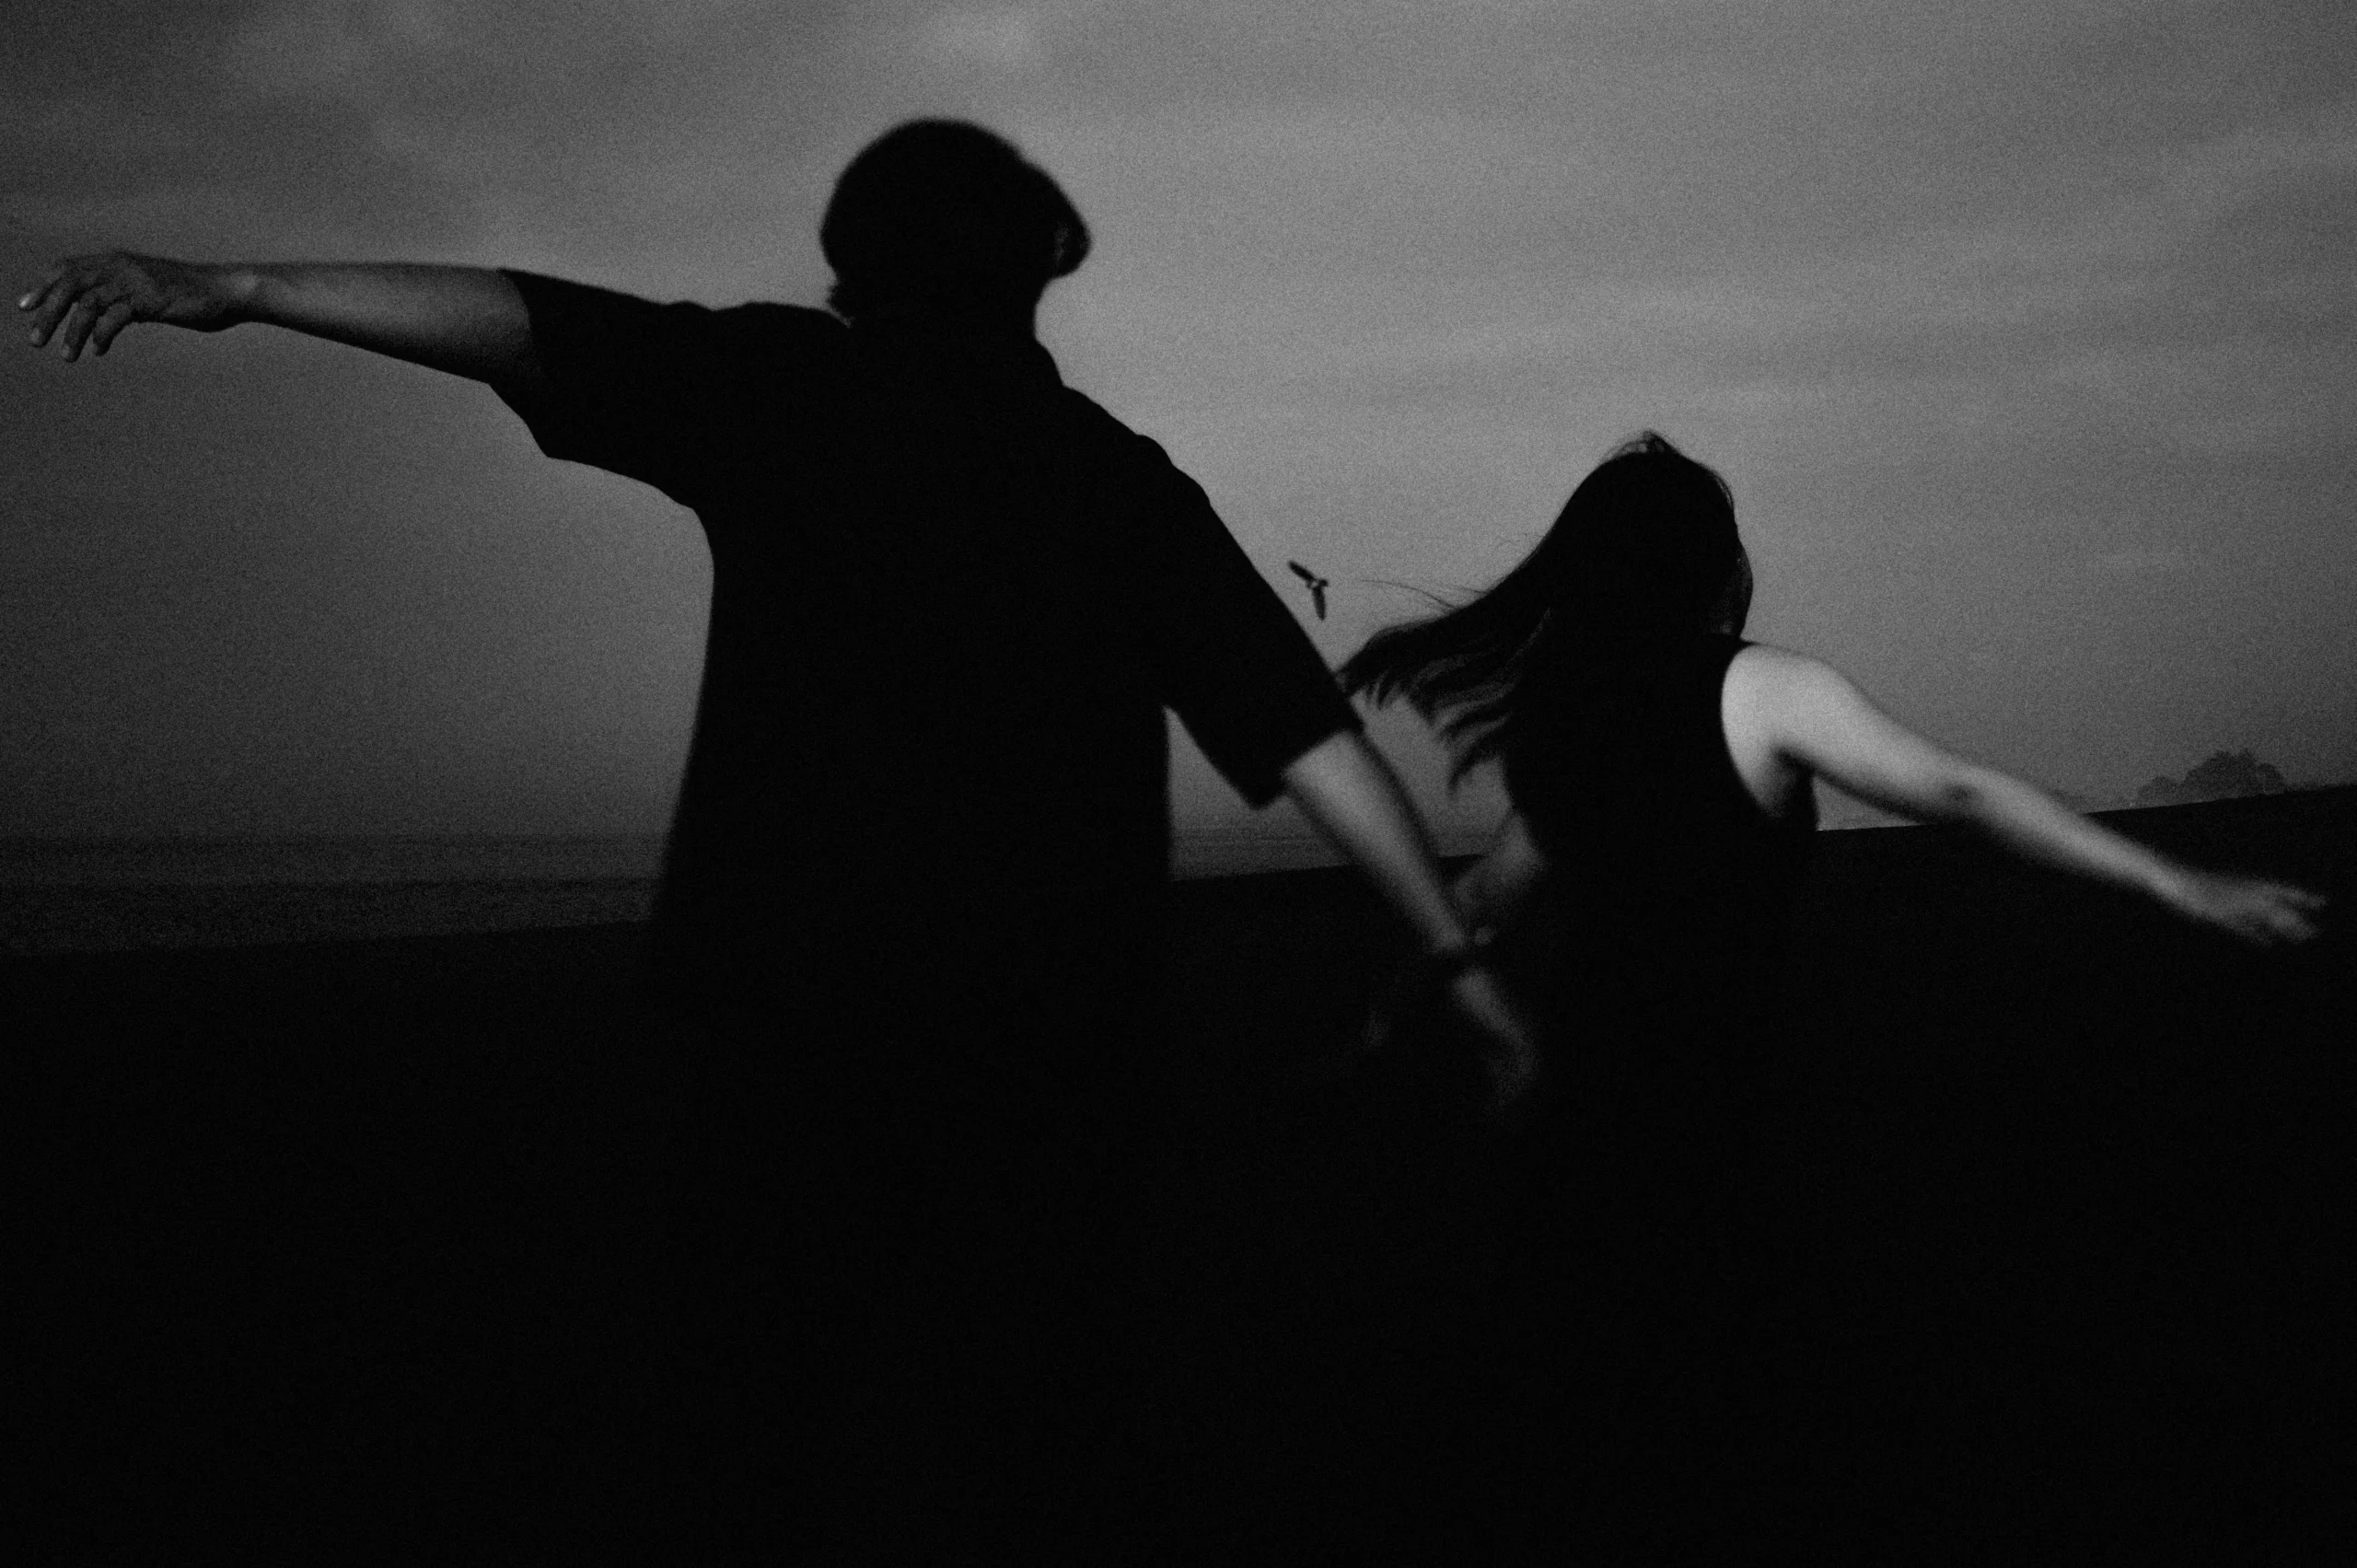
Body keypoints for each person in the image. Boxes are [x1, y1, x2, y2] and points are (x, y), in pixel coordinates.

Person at [18, 120, 1530, 1560]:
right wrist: (1454, 954)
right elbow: (1308, 738)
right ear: (1038, 264)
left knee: (758, 1434)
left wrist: (242, 285)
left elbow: (520, 320)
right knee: (1037, 1437)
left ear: (852, 266)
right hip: (1051, 1047)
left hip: (783, 1027)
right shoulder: (1116, 476)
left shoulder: (783, 385)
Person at [1334, 431, 2327, 1557]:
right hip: (1722, 1135)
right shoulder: (1760, 688)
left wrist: (1392, 1007)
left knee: (1594, 1445)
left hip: (1578, 1137)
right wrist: (2171, 880)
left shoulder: (1564, 718)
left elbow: (1483, 898)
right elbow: (1956, 791)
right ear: (1712, 564)